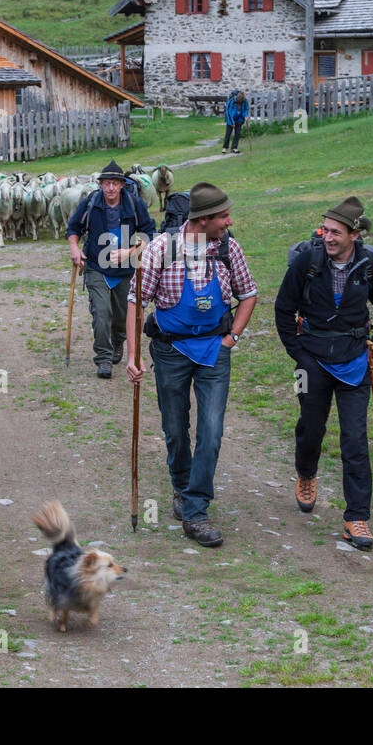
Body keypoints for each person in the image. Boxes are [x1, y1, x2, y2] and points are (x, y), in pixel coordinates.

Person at [126, 182, 258, 547]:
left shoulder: (229, 247)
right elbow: (137, 301)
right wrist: (133, 354)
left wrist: (232, 337)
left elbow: (249, 294)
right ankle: (181, 488)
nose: (229, 221)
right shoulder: (161, 250)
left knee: (212, 430)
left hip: (215, 349)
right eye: (223, 216)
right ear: (202, 220)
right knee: (175, 427)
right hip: (170, 350)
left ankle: (196, 510)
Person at [273, 196, 373, 551]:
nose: (327, 237)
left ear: (354, 235)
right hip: (310, 360)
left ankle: (356, 517)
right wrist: (297, 352)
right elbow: (283, 308)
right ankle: (307, 474)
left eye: (335, 232)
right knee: (310, 428)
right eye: (325, 230)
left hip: (355, 361)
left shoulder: (370, 264)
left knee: (355, 440)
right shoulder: (306, 262)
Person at [67, 160, 156, 378]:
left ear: (122, 185)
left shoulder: (134, 204)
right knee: (101, 312)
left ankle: (118, 340)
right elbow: (73, 227)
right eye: (106, 183)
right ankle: (103, 358)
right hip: (96, 266)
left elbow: (149, 233)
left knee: (121, 316)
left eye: (114, 184)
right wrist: (74, 248)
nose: (110, 188)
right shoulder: (91, 202)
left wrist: (130, 251)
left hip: (125, 268)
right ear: (100, 185)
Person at [221, 88, 248, 154]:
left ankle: (234, 148)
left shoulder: (245, 101)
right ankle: (225, 148)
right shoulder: (231, 101)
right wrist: (232, 122)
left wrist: (245, 115)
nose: (240, 103)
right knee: (228, 133)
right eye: (239, 102)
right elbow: (228, 112)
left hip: (239, 119)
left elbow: (246, 109)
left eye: (241, 102)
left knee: (237, 134)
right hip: (230, 118)